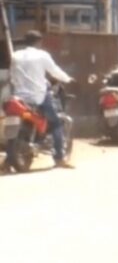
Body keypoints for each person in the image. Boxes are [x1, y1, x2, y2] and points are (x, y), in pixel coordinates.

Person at [2, 31, 74, 171]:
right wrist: (68, 78)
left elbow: (13, 76)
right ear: (39, 42)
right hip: (38, 96)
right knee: (56, 124)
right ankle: (59, 157)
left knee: (14, 129)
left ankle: (7, 163)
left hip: (18, 97)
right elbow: (55, 71)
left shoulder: (16, 56)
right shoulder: (42, 55)